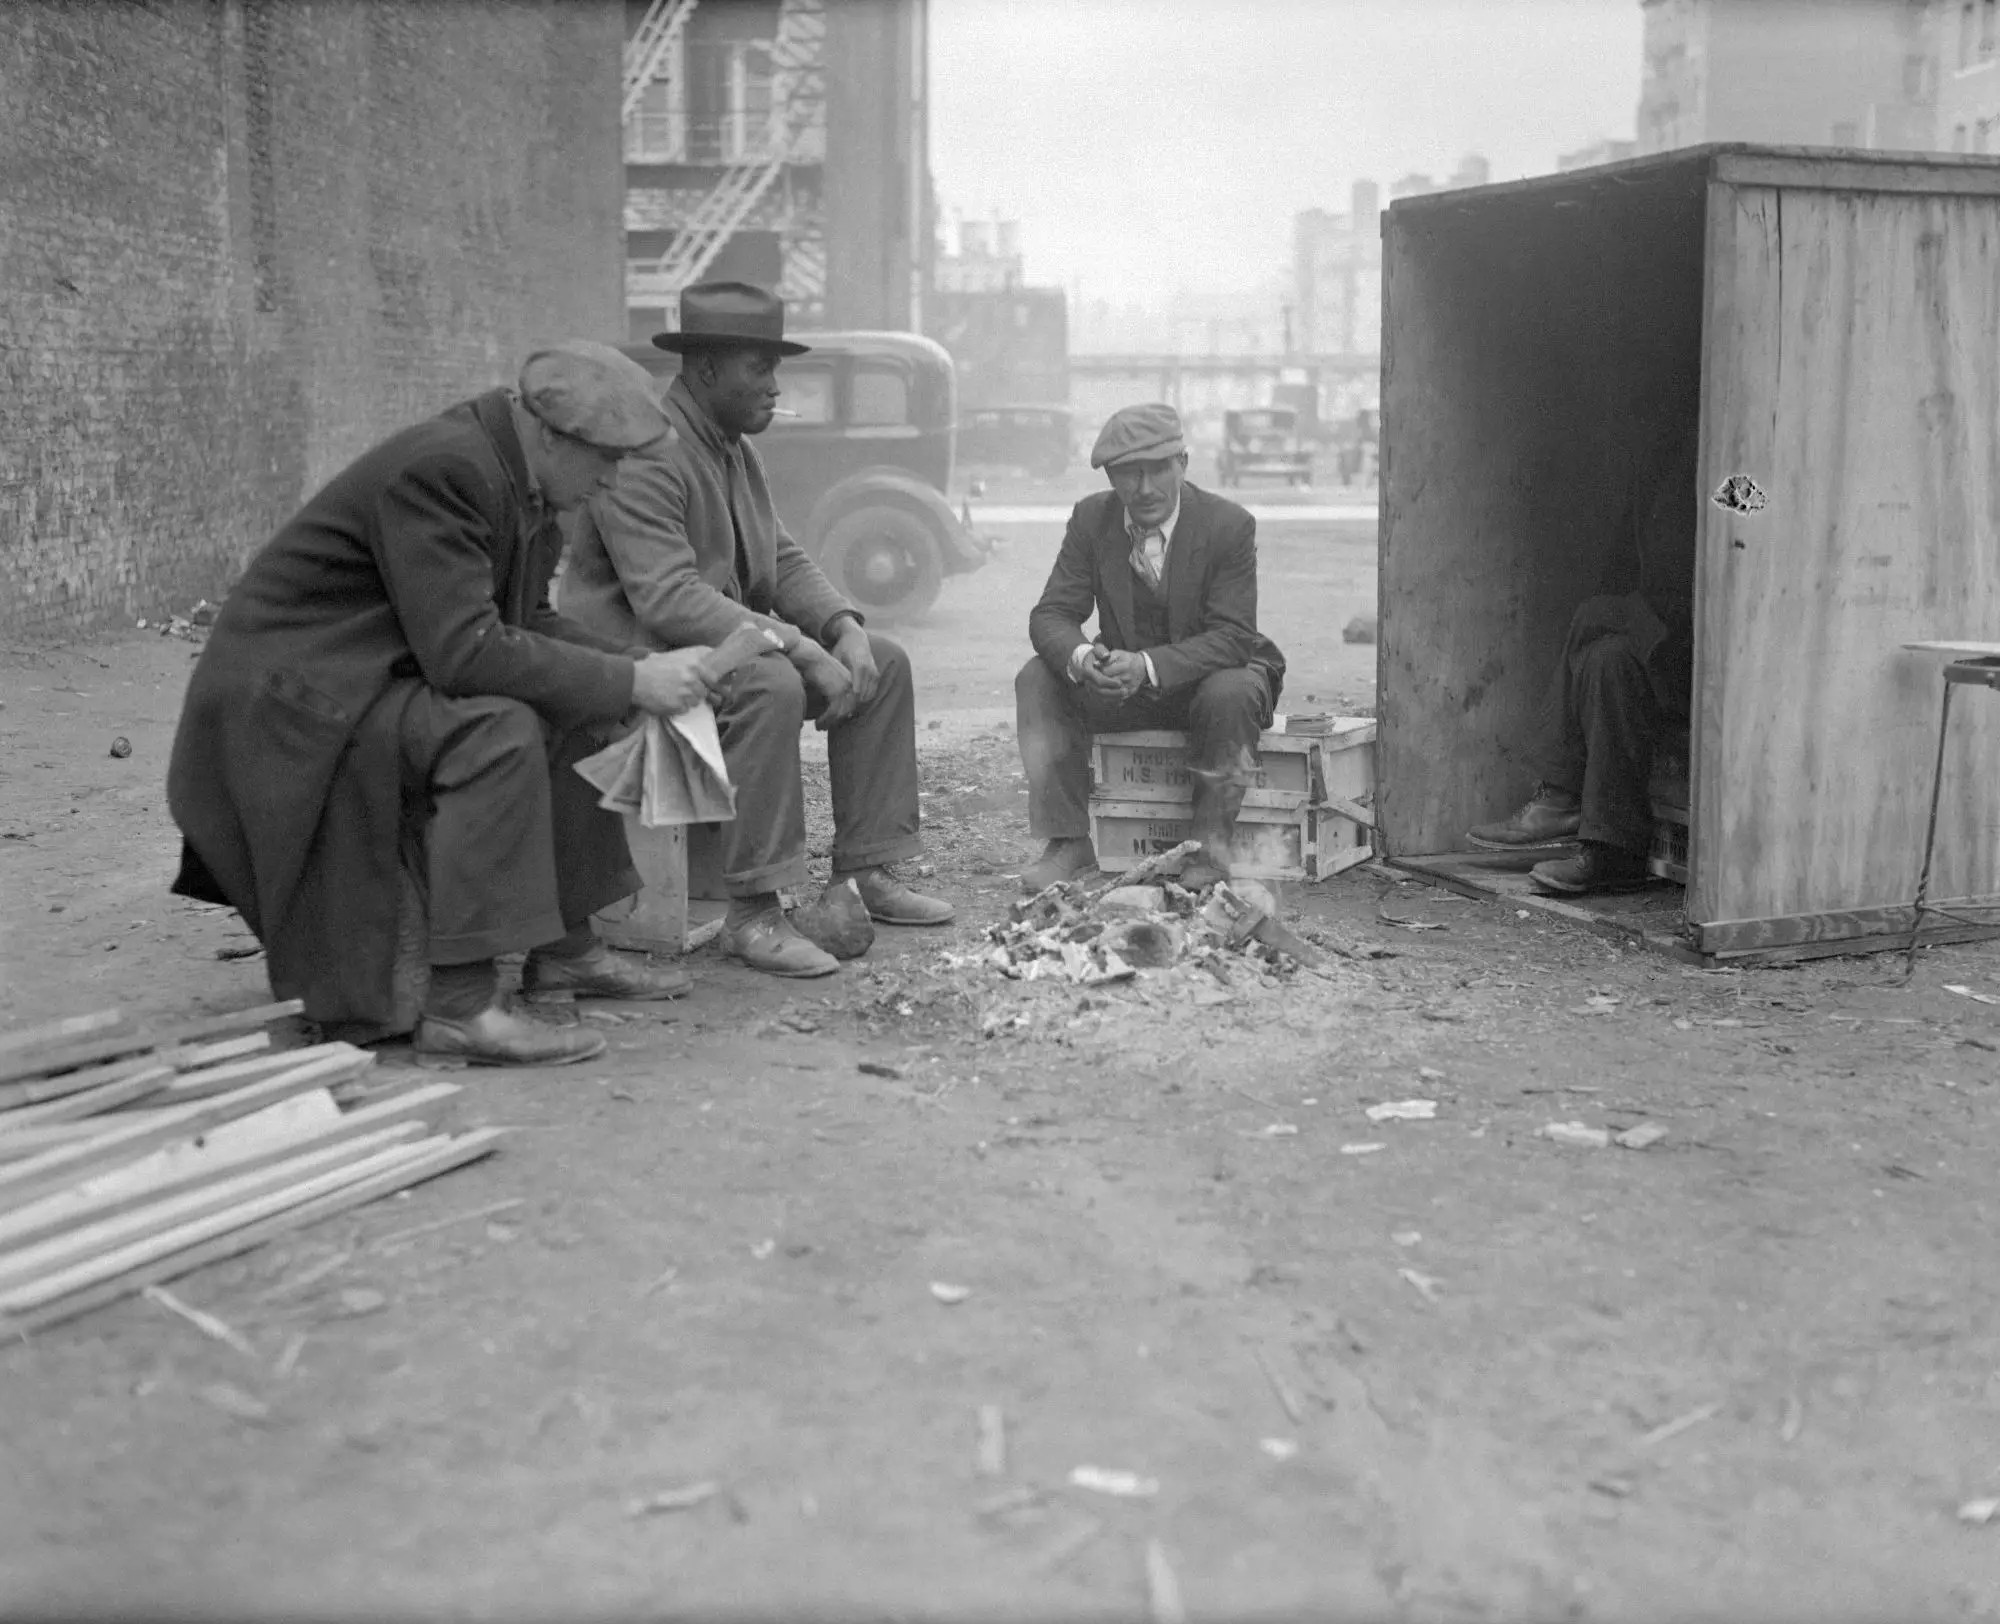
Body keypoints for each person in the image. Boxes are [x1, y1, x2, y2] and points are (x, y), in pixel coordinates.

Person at [167, 342, 718, 1067]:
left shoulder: (524, 479)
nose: (612, 480)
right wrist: (629, 682)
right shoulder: (446, 468)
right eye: (605, 459)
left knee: (577, 698)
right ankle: (462, 1009)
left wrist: (628, 668)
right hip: (290, 703)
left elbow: (520, 622)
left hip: (362, 679)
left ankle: (567, 949)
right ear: (552, 435)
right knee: (497, 730)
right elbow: (466, 653)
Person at [561, 281, 952, 980]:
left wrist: (842, 626)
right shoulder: (648, 448)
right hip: (627, 667)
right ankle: (753, 912)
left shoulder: (729, 446)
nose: (776, 385)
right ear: (706, 368)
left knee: (882, 662)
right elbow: (667, 598)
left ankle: (869, 867)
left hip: (705, 652)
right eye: (759, 367)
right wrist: (797, 647)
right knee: (769, 680)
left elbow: (781, 554)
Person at [1015, 402, 1286, 893]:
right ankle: (1069, 840)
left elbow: (1233, 636)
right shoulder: (1091, 519)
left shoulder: (1229, 525)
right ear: (1111, 477)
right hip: (1126, 690)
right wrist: (1084, 660)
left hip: (1212, 683)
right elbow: (1051, 615)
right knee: (1037, 676)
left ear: (1183, 462)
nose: (1144, 489)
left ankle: (1209, 850)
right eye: (1127, 474)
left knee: (1232, 690)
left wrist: (1146, 665)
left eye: (1158, 469)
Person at [1466, 425, 1698, 894]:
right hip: (1663, 641)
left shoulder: (1739, 471)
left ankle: (1561, 793)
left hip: (1715, 640)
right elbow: (1623, 573)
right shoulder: (1656, 468)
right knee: (1604, 661)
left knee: (1593, 614)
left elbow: (1749, 544)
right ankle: (1613, 852)